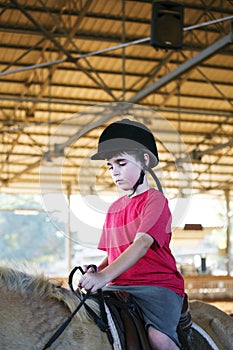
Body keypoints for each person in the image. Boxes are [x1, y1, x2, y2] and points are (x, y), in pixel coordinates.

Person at [79, 119, 184, 350]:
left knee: (159, 339)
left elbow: (142, 244)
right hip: (118, 286)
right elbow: (113, 255)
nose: (114, 171)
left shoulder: (155, 201)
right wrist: (98, 271)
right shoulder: (113, 208)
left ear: (144, 160)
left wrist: (104, 277)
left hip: (156, 286)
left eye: (121, 162)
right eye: (110, 166)